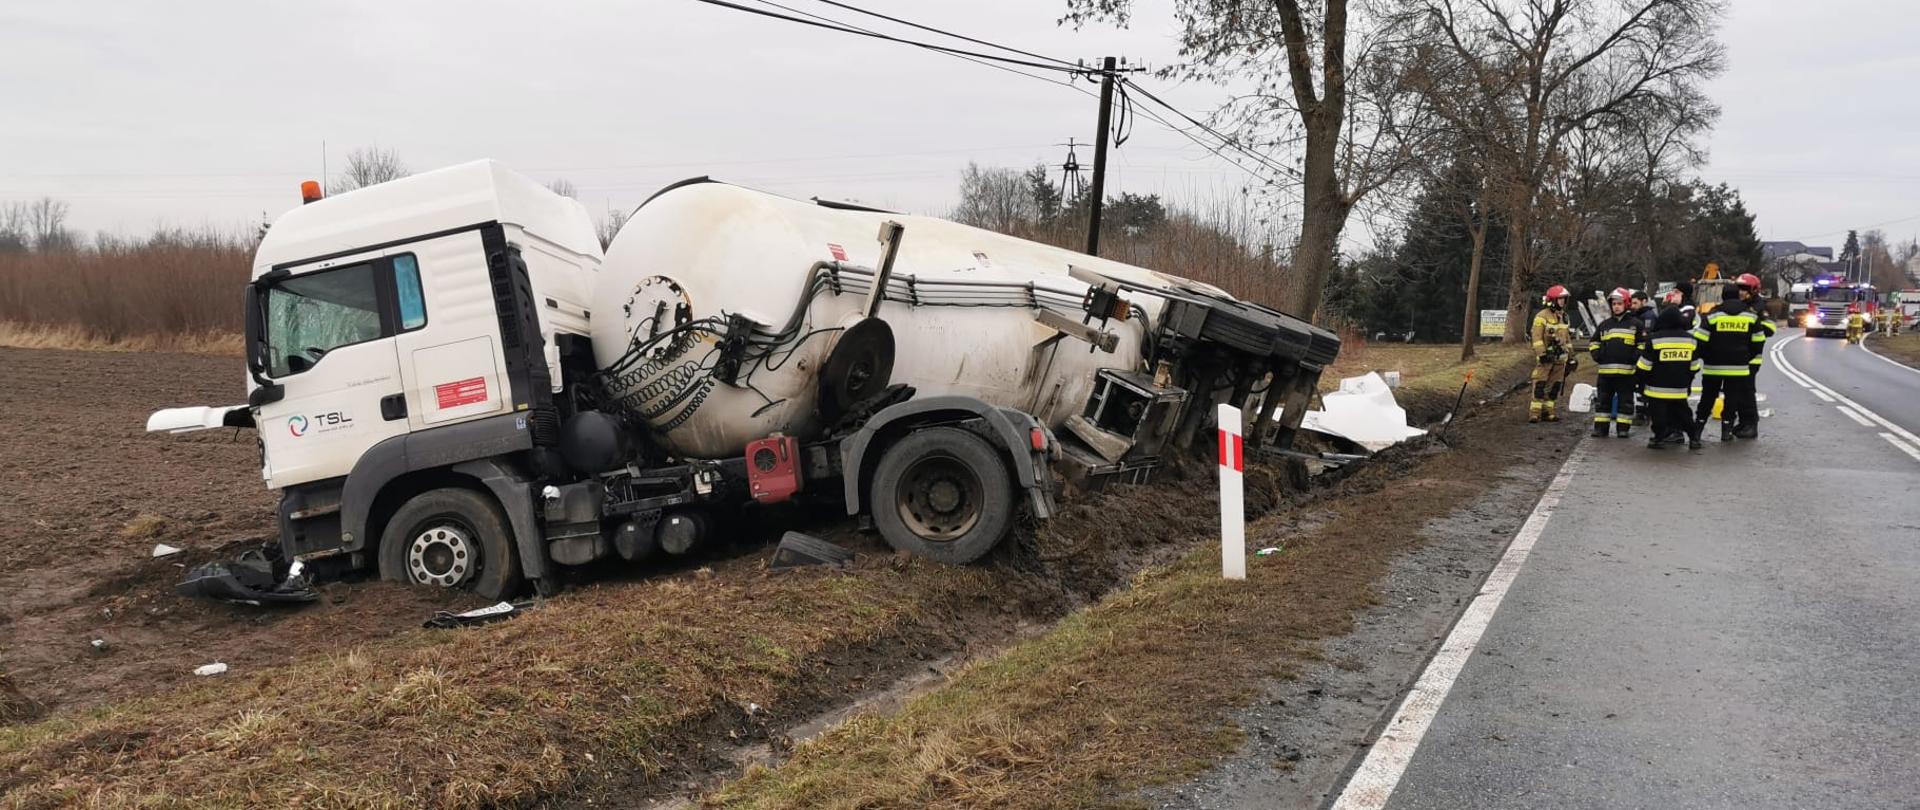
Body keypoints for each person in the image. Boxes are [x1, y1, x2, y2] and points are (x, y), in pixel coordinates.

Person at [1693, 285, 1762, 440]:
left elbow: (1700, 341)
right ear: (1738, 296)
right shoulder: (1750, 316)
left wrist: (1708, 357)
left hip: (1713, 368)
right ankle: (1726, 432)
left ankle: (1697, 432)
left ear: (1722, 297)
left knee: (1707, 399)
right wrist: (1746, 357)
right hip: (1739, 369)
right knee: (1732, 400)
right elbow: (1758, 342)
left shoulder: (1712, 316)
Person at [1639, 305, 1703, 449]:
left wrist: (1641, 382)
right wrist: (1687, 382)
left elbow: (1644, 366)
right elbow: (1695, 367)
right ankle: (1694, 438)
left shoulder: (1654, 339)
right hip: (1679, 387)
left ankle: (1659, 438)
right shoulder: (1691, 340)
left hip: (1656, 388)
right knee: (1684, 414)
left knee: (1658, 416)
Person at [1589, 287, 1644, 438]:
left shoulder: (1636, 324)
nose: (1616, 307)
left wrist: (1634, 357)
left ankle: (1623, 429)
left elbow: (1643, 344)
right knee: (1602, 402)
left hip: (1627, 373)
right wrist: (1597, 355)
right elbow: (1594, 342)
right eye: (1614, 304)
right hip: (1606, 373)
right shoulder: (1605, 325)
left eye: (1619, 303)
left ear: (1626, 304)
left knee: (1625, 402)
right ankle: (1600, 429)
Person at [1529, 284, 1574, 423]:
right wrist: (1542, 354)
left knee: (1554, 386)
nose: (1562, 302)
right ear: (1552, 300)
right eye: (1560, 299)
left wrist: (1571, 357)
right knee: (1540, 385)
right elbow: (1536, 338)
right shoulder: (1541, 316)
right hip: (1546, 358)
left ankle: (1549, 412)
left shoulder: (1565, 317)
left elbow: (1567, 339)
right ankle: (1535, 413)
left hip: (1560, 359)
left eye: (1564, 299)